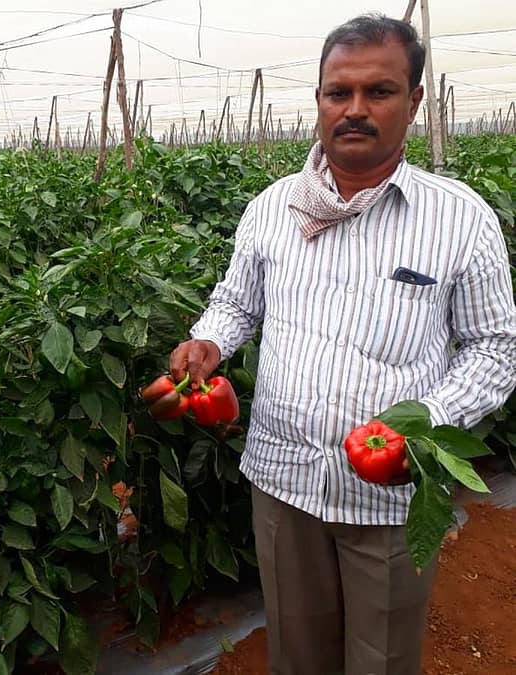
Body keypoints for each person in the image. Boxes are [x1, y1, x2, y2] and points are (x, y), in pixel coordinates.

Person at [168, 14, 516, 675]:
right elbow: (238, 302)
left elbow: (495, 348)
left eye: (378, 91)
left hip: (389, 493)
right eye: (338, 92)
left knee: (381, 658)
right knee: (297, 654)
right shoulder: (272, 207)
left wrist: (420, 427)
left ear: (413, 102)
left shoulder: (458, 217)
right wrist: (209, 340)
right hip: (283, 479)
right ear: (320, 99)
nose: (354, 110)